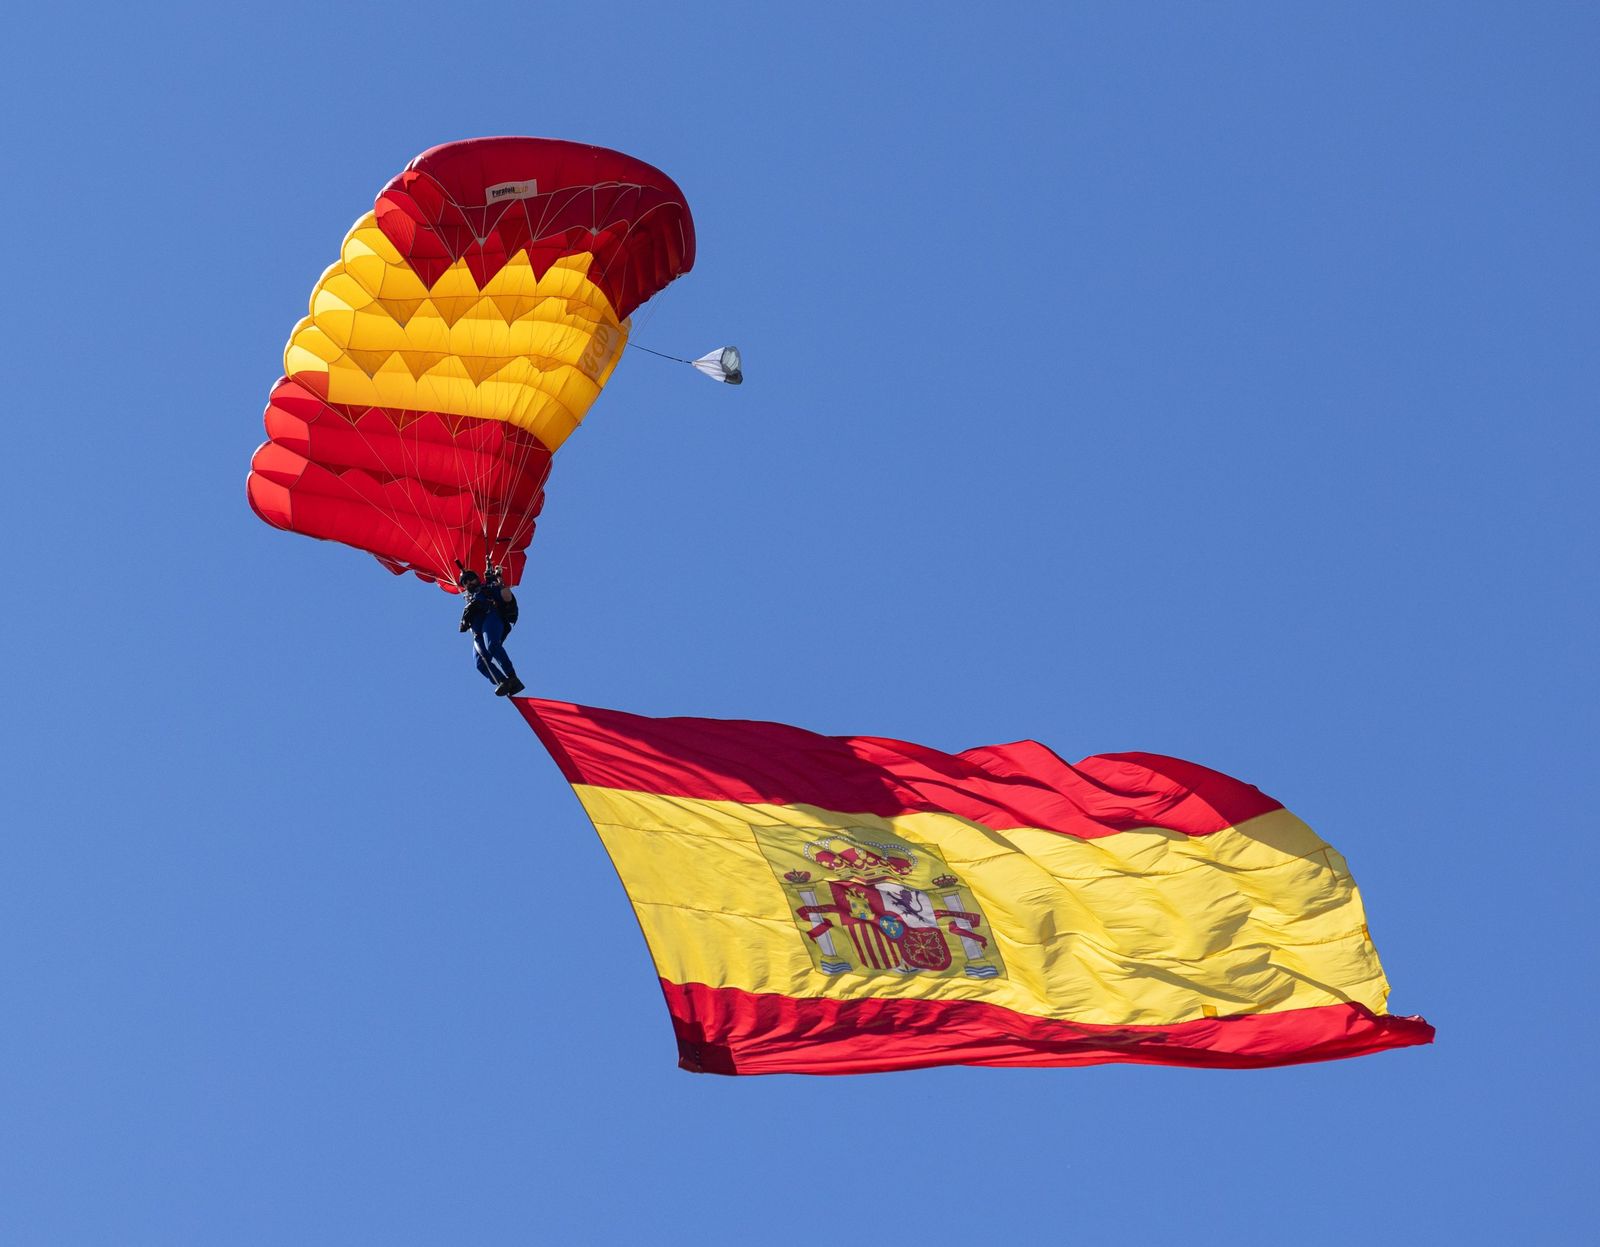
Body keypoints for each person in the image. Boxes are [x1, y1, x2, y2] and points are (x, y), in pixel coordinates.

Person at [458, 565, 524, 696]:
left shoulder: (488, 589)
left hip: (491, 617)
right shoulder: (469, 602)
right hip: (477, 631)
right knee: (480, 663)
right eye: (465, 582)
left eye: (470, 579)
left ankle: (512, 677)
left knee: (492, 646)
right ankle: (503, 682)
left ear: (477, 578)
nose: (468, 583)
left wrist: (500, 582)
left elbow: (507, 598)